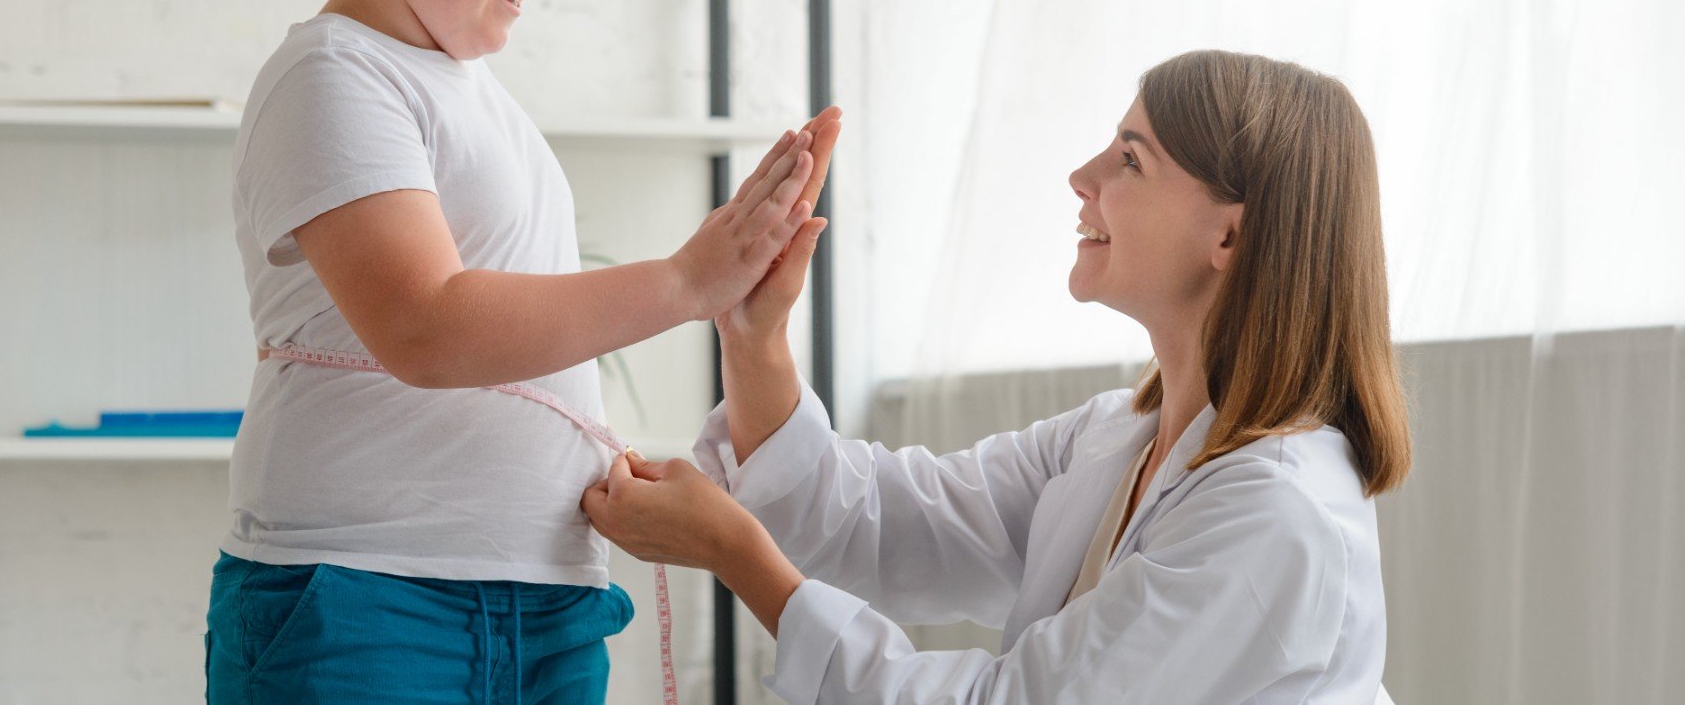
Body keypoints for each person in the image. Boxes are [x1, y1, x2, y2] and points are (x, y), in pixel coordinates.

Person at [204, 0, 840, 702]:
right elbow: (424, 325)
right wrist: (681, 281)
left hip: (542, 600)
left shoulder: (477, 97)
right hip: (365, 600)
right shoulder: (335, 75)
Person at [583, 50, 1412, 703]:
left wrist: (736, 552)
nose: (1082, 176)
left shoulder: (1277, 514)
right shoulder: (1115, 437)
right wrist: (755, 336)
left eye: (1130, 159)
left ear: (1228, 238)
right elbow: (886, 522)